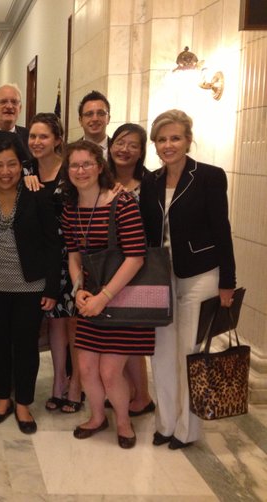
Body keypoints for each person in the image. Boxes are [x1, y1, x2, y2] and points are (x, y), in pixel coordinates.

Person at [140, 109, 236, 450]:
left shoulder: (209, 176)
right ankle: (165, 423)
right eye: (162, 139)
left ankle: (187, 429)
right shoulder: (150, 181)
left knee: (190, 352)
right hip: (161, 276)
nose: (168, 145)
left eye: (175, 138)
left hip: (201, 273)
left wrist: (228, 280)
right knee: (162, 351)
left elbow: (221, 228)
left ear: (188, 140)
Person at [0, 137, 61, 434]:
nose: (5, 171)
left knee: (26, 347)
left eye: (12, 164)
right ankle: (3, 399)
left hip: (31, 286)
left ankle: (23, 404)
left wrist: (51, 289)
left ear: (22, 166)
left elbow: (52, 245)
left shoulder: (38, 197)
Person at [60, 140, 154, 449]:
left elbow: (136, 256)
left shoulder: (122, 202)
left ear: (100, 167)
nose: (81, 170)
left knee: (110, 371)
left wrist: (105, 296)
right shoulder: (71, 206)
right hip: (90, 299)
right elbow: (73, 255)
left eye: (87, 163)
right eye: (74, 165)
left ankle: (124, 423)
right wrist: (80, 291)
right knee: (86, 369)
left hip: (122, 298)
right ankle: (97, 417)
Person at [24, 113, 83, 414]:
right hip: (44, 258)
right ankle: (59, 381)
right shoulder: (26, 170)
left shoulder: (70, 170)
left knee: (74, 323)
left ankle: (76, 384)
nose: (36, 142)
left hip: (72, 255)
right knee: (55, 322)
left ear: (58, 139)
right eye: (32, 136)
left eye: (43, 136)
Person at [107, 123, 156, 417]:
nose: (124, 149)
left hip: (139, 268)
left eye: (133, 145)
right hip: (107, 267)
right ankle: (129, 393)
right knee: (115, 334)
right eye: (120, 143)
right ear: (111, 145)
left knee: (133, 337)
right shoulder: (101, 178)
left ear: (141, 151)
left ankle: (142, 396)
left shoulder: (150, 184)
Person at [78, 90, 111, 159]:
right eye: (89, 114)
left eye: (101, 113)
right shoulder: (68, 152)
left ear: (108, 119)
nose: (95, 119)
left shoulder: (120, 151)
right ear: (80, 120)